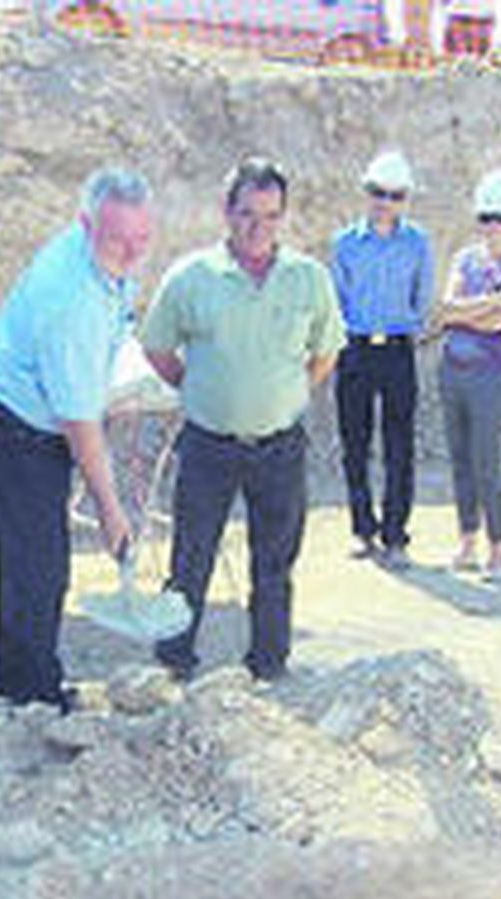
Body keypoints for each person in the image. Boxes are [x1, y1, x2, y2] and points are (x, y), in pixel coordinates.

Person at [141, 156, 345, 683]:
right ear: (226, 213)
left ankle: (269, 666)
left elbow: (325, 352)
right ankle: (173, 663)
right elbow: (159, 347)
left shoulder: (308, 278)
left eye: (272, 215)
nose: (259, 227)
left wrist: (289, 394)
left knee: (275, 566)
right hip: (208, 445)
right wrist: (200, 389)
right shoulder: (191, 278)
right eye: (248, 214)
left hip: (279, 446)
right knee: (189, 561)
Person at [0, 167, 150, 712]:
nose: (131, 252)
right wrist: (111, 511)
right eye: (118, 239)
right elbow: (79, 420)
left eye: (142, 238)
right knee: (36, 565)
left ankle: (26, 683)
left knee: (40, 562)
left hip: (39, 422)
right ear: (84, 223)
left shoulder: (104, 263)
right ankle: (30, 697)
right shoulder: (70, 294)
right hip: (14, 432)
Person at [329, 149, 433, 569]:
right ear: (365, 192)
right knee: (354, 444)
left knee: (399, 446)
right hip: (354, 349)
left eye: (395, 194)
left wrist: (409, 325)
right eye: (378, 192)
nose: (385, 202)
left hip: (396, 351)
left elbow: (422, 295)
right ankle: (362, 529)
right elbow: (336, 298)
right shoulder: (345, 244)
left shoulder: (417, 243)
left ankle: (395, 535)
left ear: (406, 198)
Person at [436, 168, 501, 581]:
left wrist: (468, 311)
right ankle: (467, 541)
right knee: (460, 457)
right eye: (486, 218)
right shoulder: (465, 258)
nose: (493, 227)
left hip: (490, 375)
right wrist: (490, 302)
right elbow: (446, 309)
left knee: (486, 459)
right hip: (453, 369)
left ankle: (498, 548)